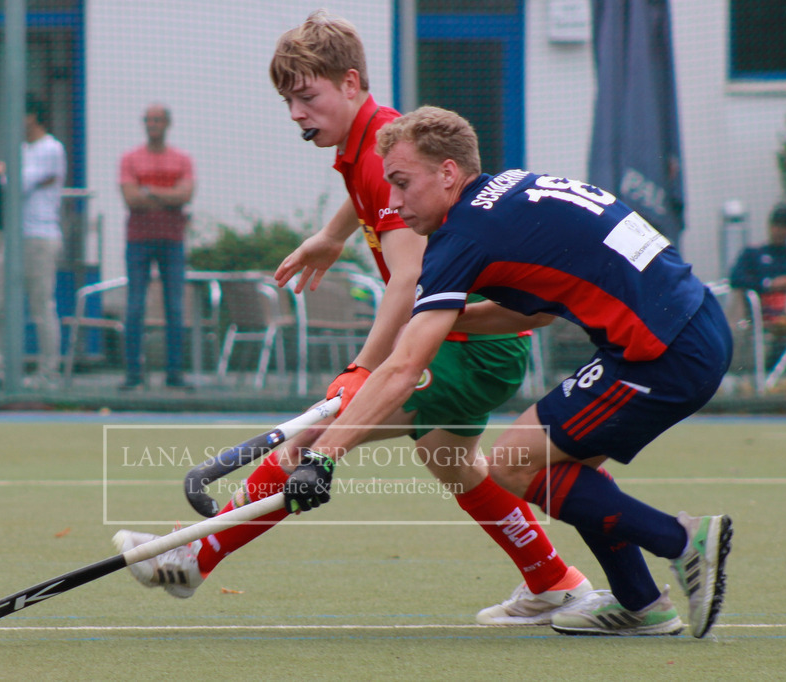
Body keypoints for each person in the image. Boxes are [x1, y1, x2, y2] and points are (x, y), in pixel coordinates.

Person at [112, 11, 595, 628]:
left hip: (468, 343)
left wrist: (361, 371)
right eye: (288, 101)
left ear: (349, 82)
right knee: (451, 461)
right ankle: (555, 583)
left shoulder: (378, 149)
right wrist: (331, 235)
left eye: (306, 97)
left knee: (313, 442)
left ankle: (193, 557)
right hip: (475, 342)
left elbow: (408, 278)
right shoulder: (372, 138)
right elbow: (367, 191)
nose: (296, 113)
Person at [279, 106, 734, 639]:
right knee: (562, 463)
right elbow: (535, 312)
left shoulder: (462, 233)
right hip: (691, 324)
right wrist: (444, 322)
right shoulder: (509, 191)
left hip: (664, 351)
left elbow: (403, 368)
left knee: (512, 465)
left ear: (448, 172)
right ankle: (641, 604)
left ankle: (681, 541)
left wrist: (323, 456)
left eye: (401, 183)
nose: (394, 203)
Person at [117, 103, 195, 390]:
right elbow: (131, 199)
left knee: (174, 306)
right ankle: (133, 374)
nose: (153, 125)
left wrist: (149, 191)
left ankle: (174, 374)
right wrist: (168, 196)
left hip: (172, 241)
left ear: (167, 124)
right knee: (135, 305)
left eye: (157, 120)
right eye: (148, 120)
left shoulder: (182, 159)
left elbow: (185, 195)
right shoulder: (130, 159)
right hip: (138, 240)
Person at [728, 204, 786, 390]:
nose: (780, 230)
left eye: (785, 226)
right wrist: (769, 284)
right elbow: (736, 279)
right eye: (777, 225)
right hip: (766, 313)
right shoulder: (753, 254)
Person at [16, 97, 66, 388]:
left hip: (42, 236)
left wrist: (10, 175)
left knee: (41, 304)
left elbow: (18, 183)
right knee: (0, 302)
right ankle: (2, 366)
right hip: (16, 236)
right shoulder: (20, 149)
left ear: (32, 116)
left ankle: (49, 370)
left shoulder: (52, 148)